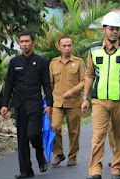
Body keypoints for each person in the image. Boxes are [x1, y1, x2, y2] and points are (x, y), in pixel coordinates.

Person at [81, 12, 120, 179]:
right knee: (98, 135)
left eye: (117, 29)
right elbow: (89, 75)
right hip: (99, 100)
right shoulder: (94, 49)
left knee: (119, 135)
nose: (114, 32)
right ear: (104, 30)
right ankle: (95, 172)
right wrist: (85, 98)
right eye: (111, 29)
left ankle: (117, 169)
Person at [0, 31, 53, 179]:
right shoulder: (15, 62)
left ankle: (40, 154)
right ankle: (26, 170)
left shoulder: (41, 62)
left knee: (33, 133)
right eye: (22, 42)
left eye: (27, 41)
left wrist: (49, 104)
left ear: (33, 43)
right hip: (19, 104)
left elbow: (47, 84)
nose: (24, 44)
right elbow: (9, 84)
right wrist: (4, 104)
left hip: (35, 103)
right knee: (22, 138)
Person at [49, 36, 85, 166]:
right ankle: (59, 153)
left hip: (74, 102)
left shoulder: (79, 62)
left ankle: (73, 156)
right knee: (55, 127)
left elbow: (84, 81)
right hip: (58, 102)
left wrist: (73, 91)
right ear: (59, 47)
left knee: (74, 130)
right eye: (64, 46)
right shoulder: (53, 63)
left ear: (73, 46)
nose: (67, 48)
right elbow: (50, 84)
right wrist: (47, 102)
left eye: (69, 45)